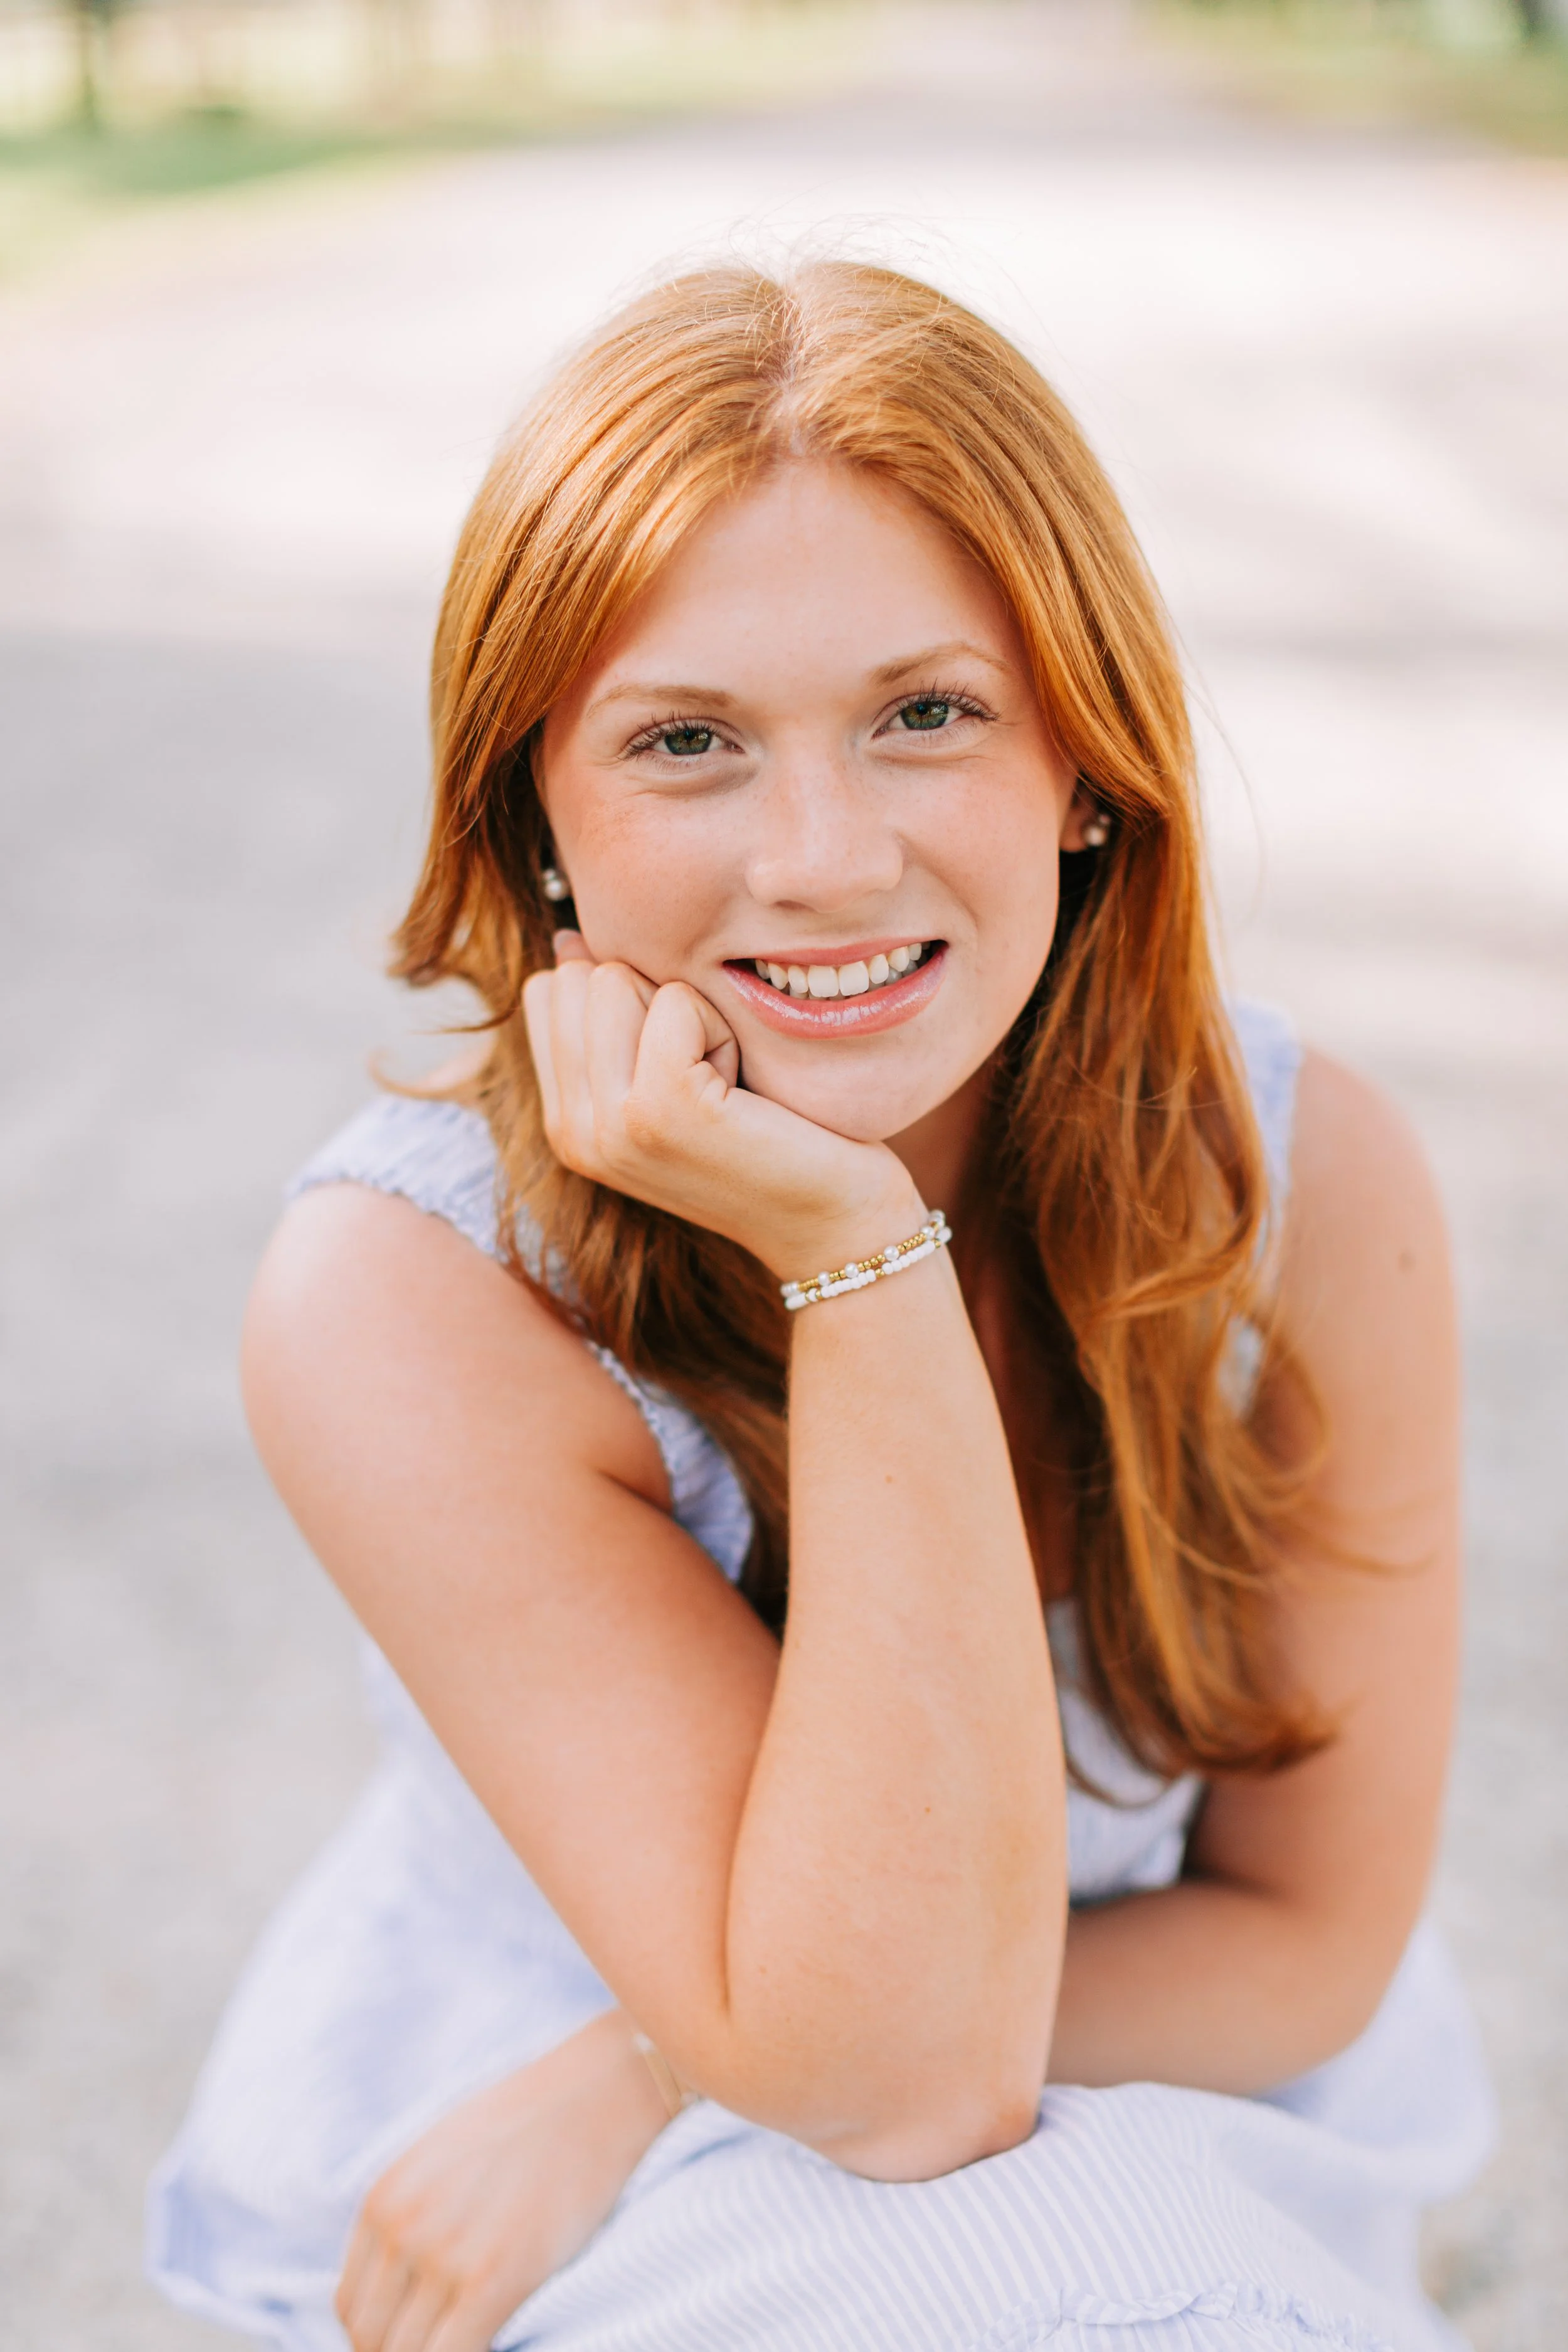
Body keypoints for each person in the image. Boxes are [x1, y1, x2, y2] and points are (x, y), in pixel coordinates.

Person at [148, 260, 1493, 2352]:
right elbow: (895, 2078)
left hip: (1141, 2056)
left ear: (1082, 759)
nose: (820, 855)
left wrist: (632, 2068)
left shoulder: (1303, 1182)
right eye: (684, 742)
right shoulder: (406, 1293)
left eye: (924, 713)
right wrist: (855, 1256)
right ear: (543, 829)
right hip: (549, 2162)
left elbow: (1304, 1933)